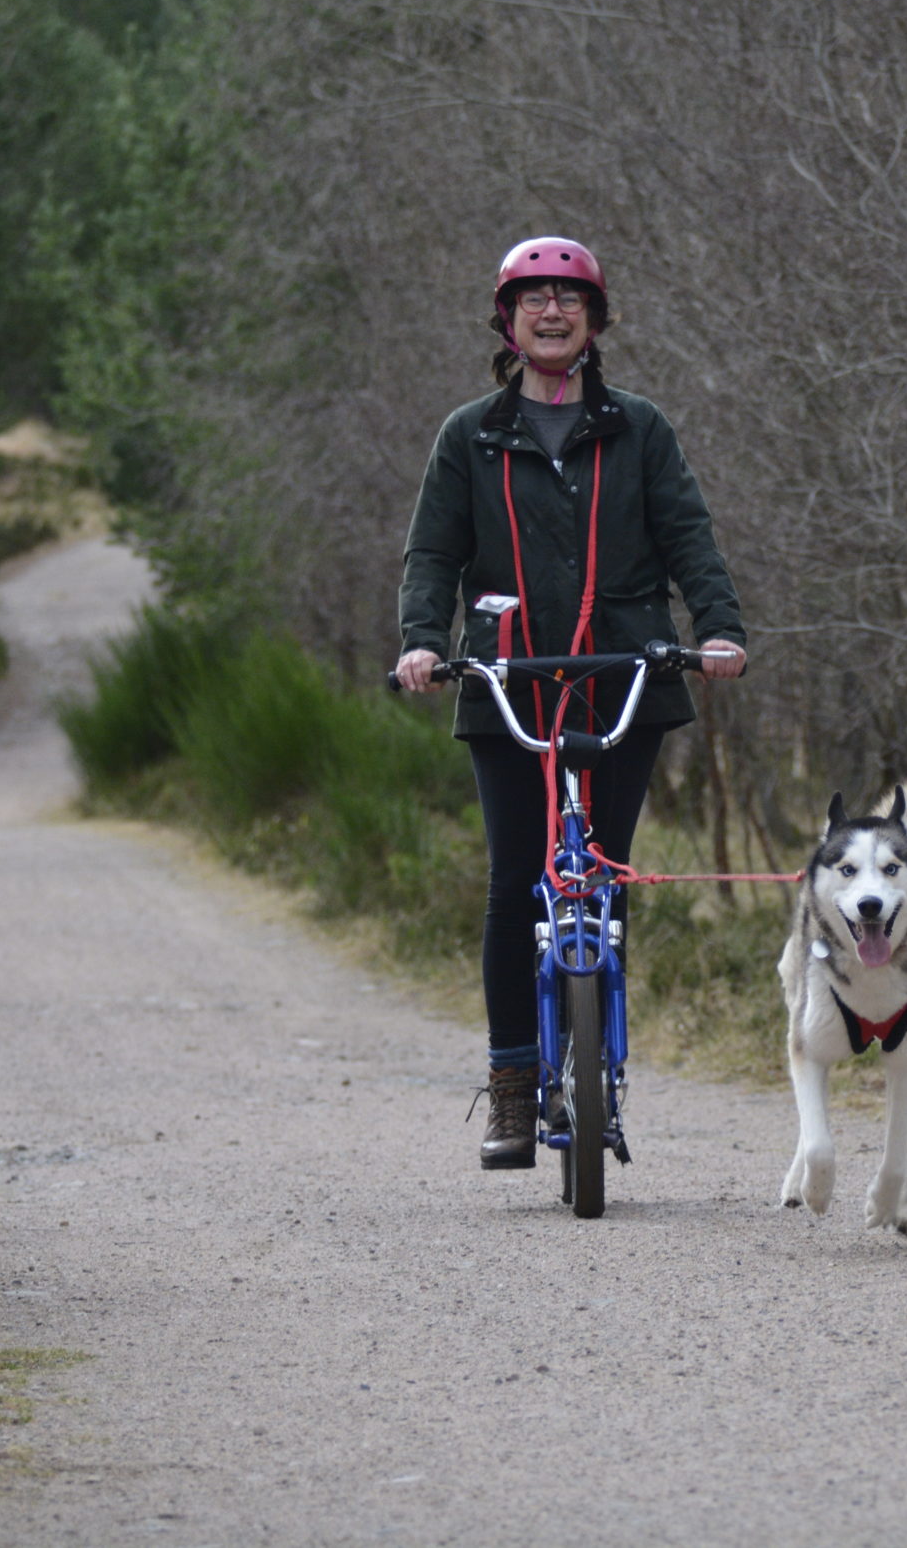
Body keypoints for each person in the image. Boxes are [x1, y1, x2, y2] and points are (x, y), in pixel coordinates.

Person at [395, 237, 746, 1170]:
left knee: (606, 879)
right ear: (506, 320)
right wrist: (424, 642)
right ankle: (514, 1084)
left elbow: (688, 534)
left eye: (569, 298)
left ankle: (600, 1076)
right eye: (533, 298)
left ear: (596, 319)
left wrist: (718, 629)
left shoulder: (640, 427)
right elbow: (432, 554)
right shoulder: (468, 433)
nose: (552, 313)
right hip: (508, 676)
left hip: (621, 670)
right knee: (518, 884)